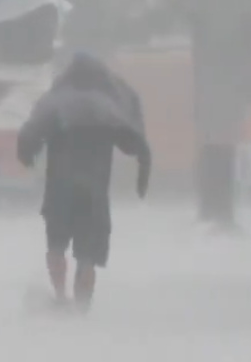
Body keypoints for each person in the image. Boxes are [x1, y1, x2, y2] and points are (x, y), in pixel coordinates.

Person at [17, 53, 152, 312]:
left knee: (56, 245)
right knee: (88, 256)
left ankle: (60, 296)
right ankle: (81, 306)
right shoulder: (110, 107)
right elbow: (132, 142)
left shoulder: (56, 101)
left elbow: (32, 132)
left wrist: (26, 154)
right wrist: (143, 168)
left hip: (60, 189)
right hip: (95, 191)